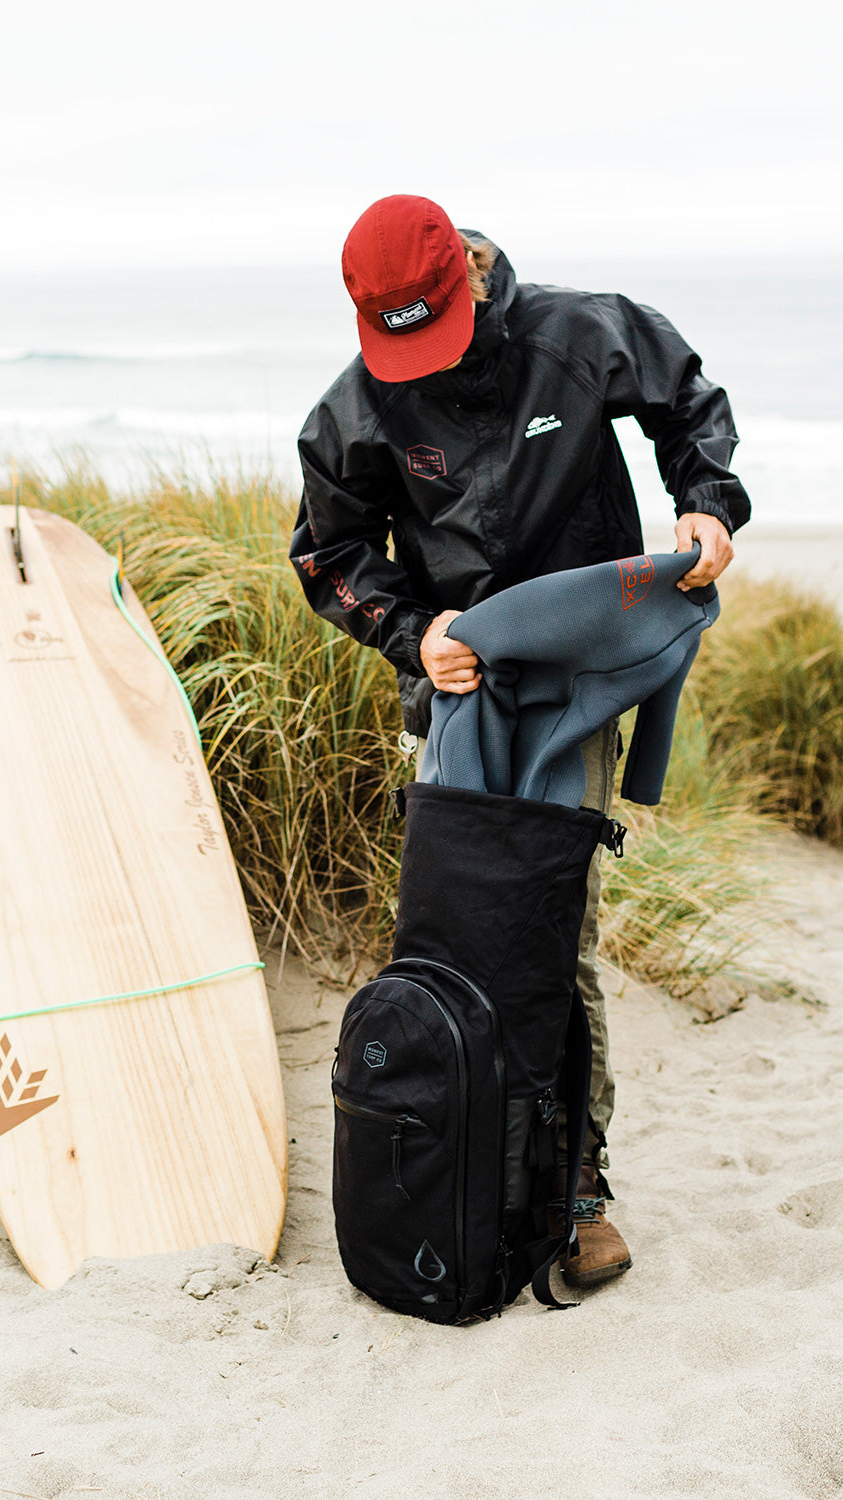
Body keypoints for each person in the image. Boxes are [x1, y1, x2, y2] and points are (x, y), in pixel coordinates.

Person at [289, 194, 749, 1287]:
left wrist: (707, 502)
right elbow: (327, 554)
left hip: (579, 678)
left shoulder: (578, 335)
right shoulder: (355, 408)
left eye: (433, 328)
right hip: (458, 687)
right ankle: (468, 1166)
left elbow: (688, 402)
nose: (418, 360)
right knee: (449, 935)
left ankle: (576, 1189)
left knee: (551, 927)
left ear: (466, 284)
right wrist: (415, 632)